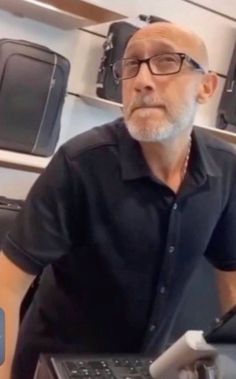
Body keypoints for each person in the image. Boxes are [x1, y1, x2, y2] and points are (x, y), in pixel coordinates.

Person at [0, 21, 236, 379]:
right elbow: (6, 284)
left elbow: (231, 275)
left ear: (206, 86)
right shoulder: (79, 164)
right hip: (53, 366)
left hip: (149, 369)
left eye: (166, 61)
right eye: (131, 65)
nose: (142, 80)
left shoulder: (225, 167)